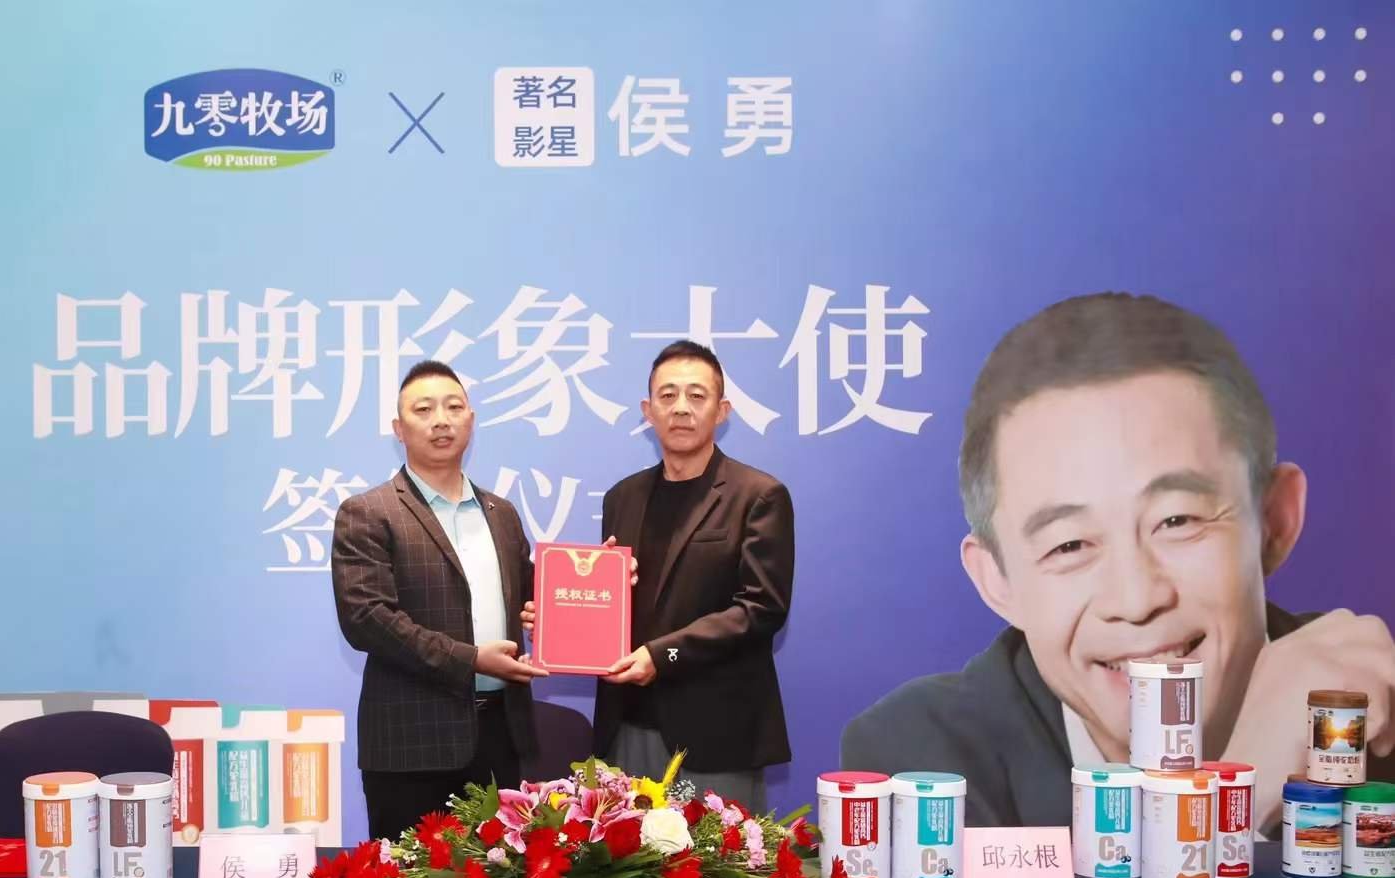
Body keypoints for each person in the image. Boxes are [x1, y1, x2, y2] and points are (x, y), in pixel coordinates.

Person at [841, 293, 1395, 831]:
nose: (1135, 600)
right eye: (1069, 546)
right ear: (998, 581)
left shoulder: (1378, 715)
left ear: (1274, 520)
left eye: (1176, 520)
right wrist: (1237, 794)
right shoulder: (919, 760)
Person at [332, 360, 547, 841]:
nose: (441, 420)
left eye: (453, 407)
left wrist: (600, 576)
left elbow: (534, 596)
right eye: (424, 409)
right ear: (398, 429)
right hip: (411, 748)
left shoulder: (502, 513)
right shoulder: (368, 513)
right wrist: (471, 660)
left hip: (501, 739)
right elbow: (367, 618)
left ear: (471, 419)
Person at [588, 339, 794, 811]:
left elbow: (761, 609)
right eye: (667, 395)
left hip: (715, 733)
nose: (681, 407)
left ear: (722, 411)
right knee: (625, 855)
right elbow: (616, 600)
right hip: (627, 725)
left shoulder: (758, 495)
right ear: (648, 411)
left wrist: (663, 655)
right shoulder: (622, 498)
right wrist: (573, 613)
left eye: (696, 396)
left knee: (716, 858)